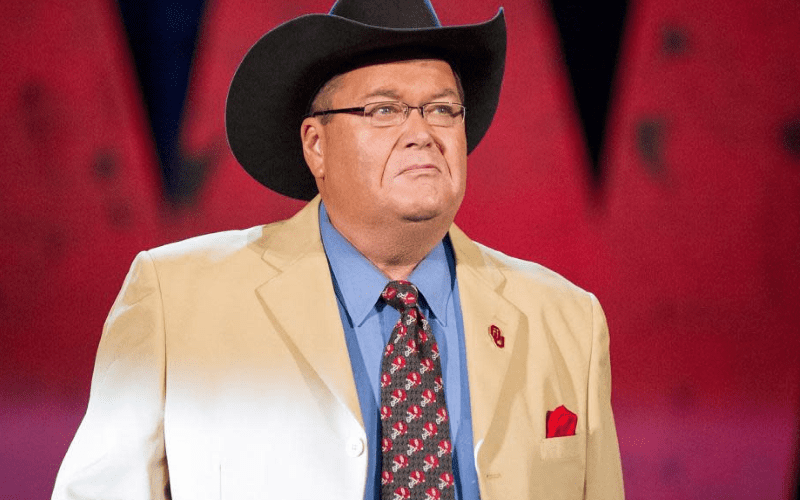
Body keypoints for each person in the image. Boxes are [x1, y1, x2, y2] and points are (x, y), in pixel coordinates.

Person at [52, 0, 624, 498]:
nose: (422, 132)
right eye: (384, 109)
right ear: (316, 145)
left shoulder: (568, 320)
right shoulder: (175, 301)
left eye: (442, 109)